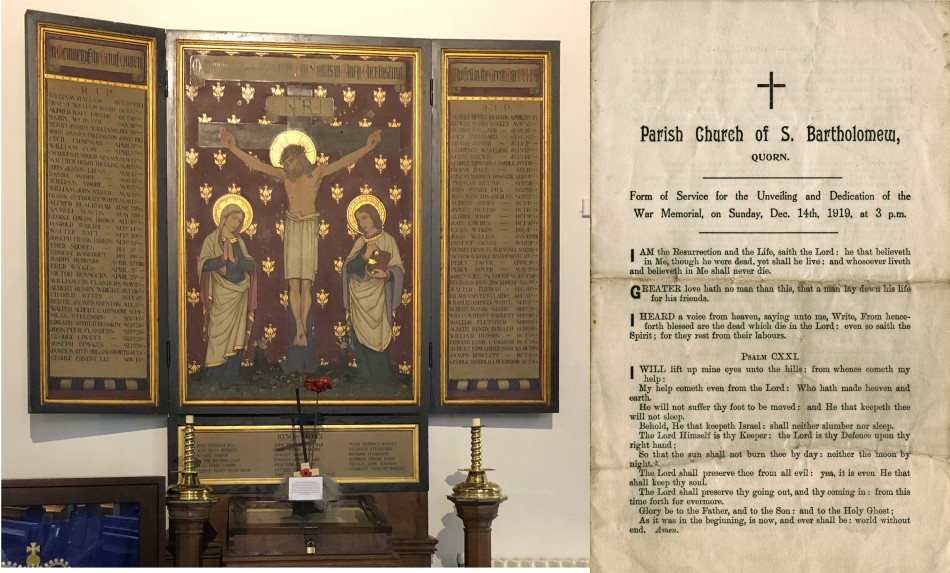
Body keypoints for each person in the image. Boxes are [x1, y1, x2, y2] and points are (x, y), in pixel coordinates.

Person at [219, 127, 382, 347]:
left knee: (307, 283)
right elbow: (256, 164)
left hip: (309, 227)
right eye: (285, 163)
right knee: (293, 283)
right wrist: (232, 147)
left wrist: (368, 147)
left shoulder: (317, 174)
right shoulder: (284, 177)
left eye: (290, 161)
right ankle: (300, 328)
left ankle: (302, 327)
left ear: (301, 159)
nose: (287, 166)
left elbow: (344, 162)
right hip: (293, 227)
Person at [342, 202, 404, 383]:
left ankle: (382, 376)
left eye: (365, 218)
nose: (362, 223)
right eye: (358, 220)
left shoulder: (388, 240)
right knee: (361, 335)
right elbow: (349, 268)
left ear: (374, 217)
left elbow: (398, 269)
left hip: (379, 295)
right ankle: (365, 375)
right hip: (359, 296)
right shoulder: (360, 243)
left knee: (380, 333)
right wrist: (365, 255)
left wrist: (387, 274)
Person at [198, 201, 257, 384]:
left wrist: (236, 261)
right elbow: (204, 265)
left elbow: (250, 265)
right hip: (221, 294)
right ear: (224, 218)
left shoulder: (239, 241)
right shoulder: (212, 240)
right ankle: (215, 374)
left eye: (240, 221)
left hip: (240, 293)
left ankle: (232, 374)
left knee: (237, 334)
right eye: (234, 219)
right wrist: (222, 259)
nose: (236, 224)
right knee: (218, 332)